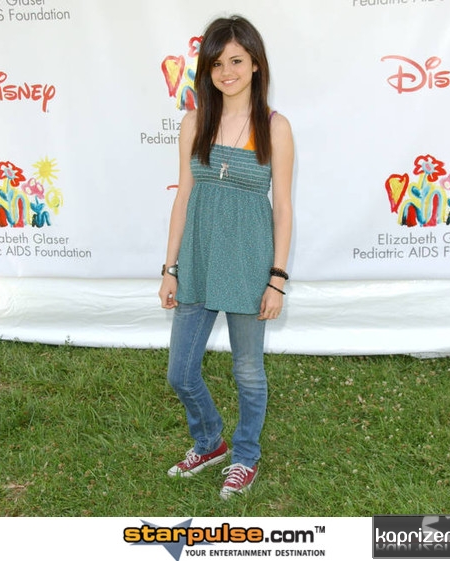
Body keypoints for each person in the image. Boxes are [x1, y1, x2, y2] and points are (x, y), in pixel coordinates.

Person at [158, 14, 294, 499]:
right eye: (216, 63)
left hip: (249, 264)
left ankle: (245, 456)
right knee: (180, 372)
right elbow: (183, 196)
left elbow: (283, 209)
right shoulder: (195, 122)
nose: (226, 72)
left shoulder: (275, 127)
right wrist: (170, 268)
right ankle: (209, 442)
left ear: (255, 64)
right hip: (197, 259)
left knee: (248, 371)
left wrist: (276, 279)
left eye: (236, 60)